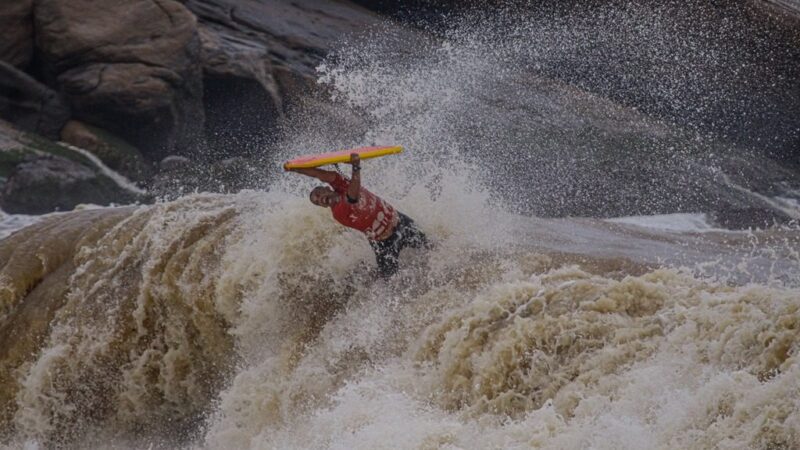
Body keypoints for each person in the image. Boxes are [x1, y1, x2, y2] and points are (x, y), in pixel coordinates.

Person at [286, 153, 430, 277]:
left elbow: (320, 174)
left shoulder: (340, 184)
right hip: (384, 244)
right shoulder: (339, 212)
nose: (320, 200)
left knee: (431, 249)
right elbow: (353, 196)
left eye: (318, 195)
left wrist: (296, 169)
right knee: (393, 285)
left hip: (401, 222)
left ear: (326, 189)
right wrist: (355, 166)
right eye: (317, 202)